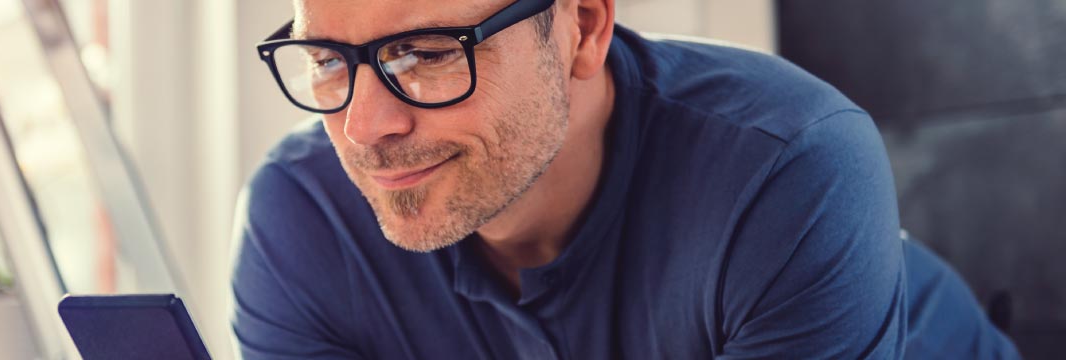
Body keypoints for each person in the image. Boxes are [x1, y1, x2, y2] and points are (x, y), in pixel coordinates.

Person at [230, 0, 1021, 358]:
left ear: (582, 29)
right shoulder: (301, 215)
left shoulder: (788, 162)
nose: (365, 128)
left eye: (430, 52)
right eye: (330, 62)